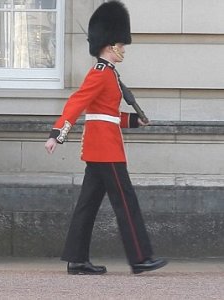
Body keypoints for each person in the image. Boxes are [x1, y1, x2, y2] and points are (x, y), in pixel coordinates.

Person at [44, 1, 167, 275]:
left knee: (87, 205)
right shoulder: (100, 74)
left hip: (102, 147)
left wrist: (135, 121)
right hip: (106, 150)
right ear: (111, 45)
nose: (123, 49)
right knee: (126, 202)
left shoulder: (109, 74)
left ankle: (76, 259)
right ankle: (140, 257)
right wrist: (57, 134)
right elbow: (76, 103)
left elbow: (108, 115)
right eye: (121, 44)